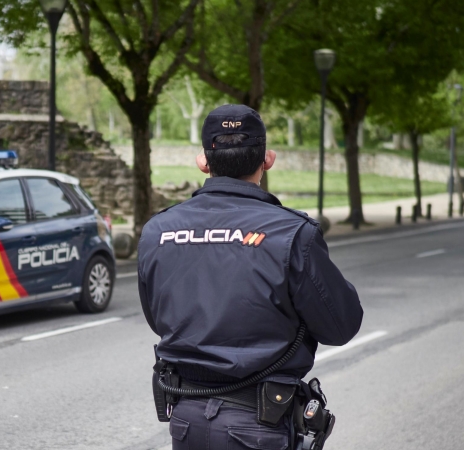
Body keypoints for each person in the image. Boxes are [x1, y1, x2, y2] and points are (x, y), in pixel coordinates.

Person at [138, 104, 363, 449]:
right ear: (267, 159)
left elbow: (158, 319)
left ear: (203, 161)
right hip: (259, 426)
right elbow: (341, 325)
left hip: (186, 422)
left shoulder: (158, 230)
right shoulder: (293, 232)